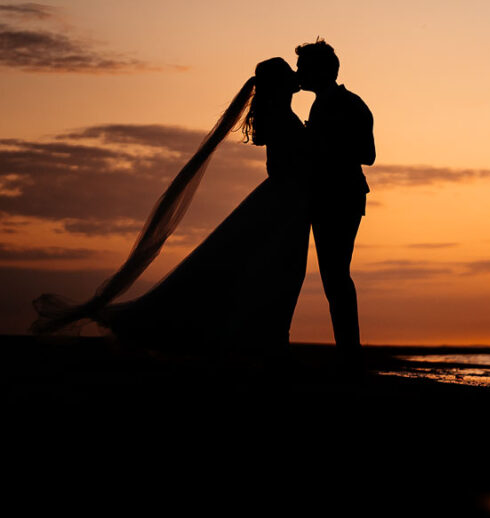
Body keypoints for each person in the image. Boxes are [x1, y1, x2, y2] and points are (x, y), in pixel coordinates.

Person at [31, 59, 310, 356]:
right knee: (266, 271)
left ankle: (260, 341)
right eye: (288, 74)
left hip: (282, 200)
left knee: (261, 271)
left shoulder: (280, 114)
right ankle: (263, 343)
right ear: (279, 84)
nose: (295, 76)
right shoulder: (281, 117)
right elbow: (286, 163)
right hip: (280, 202)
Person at [295, 39, 374, 364]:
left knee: (336, 274)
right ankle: (348, 352)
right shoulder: (323, 104)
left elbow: (368, 154)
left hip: (341, 197)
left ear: (319, 71)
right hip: (327, 197)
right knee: (333, 275)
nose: (299, 73)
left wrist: (322, 143)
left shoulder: (349, 104)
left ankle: (349, 353)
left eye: (303, 68)